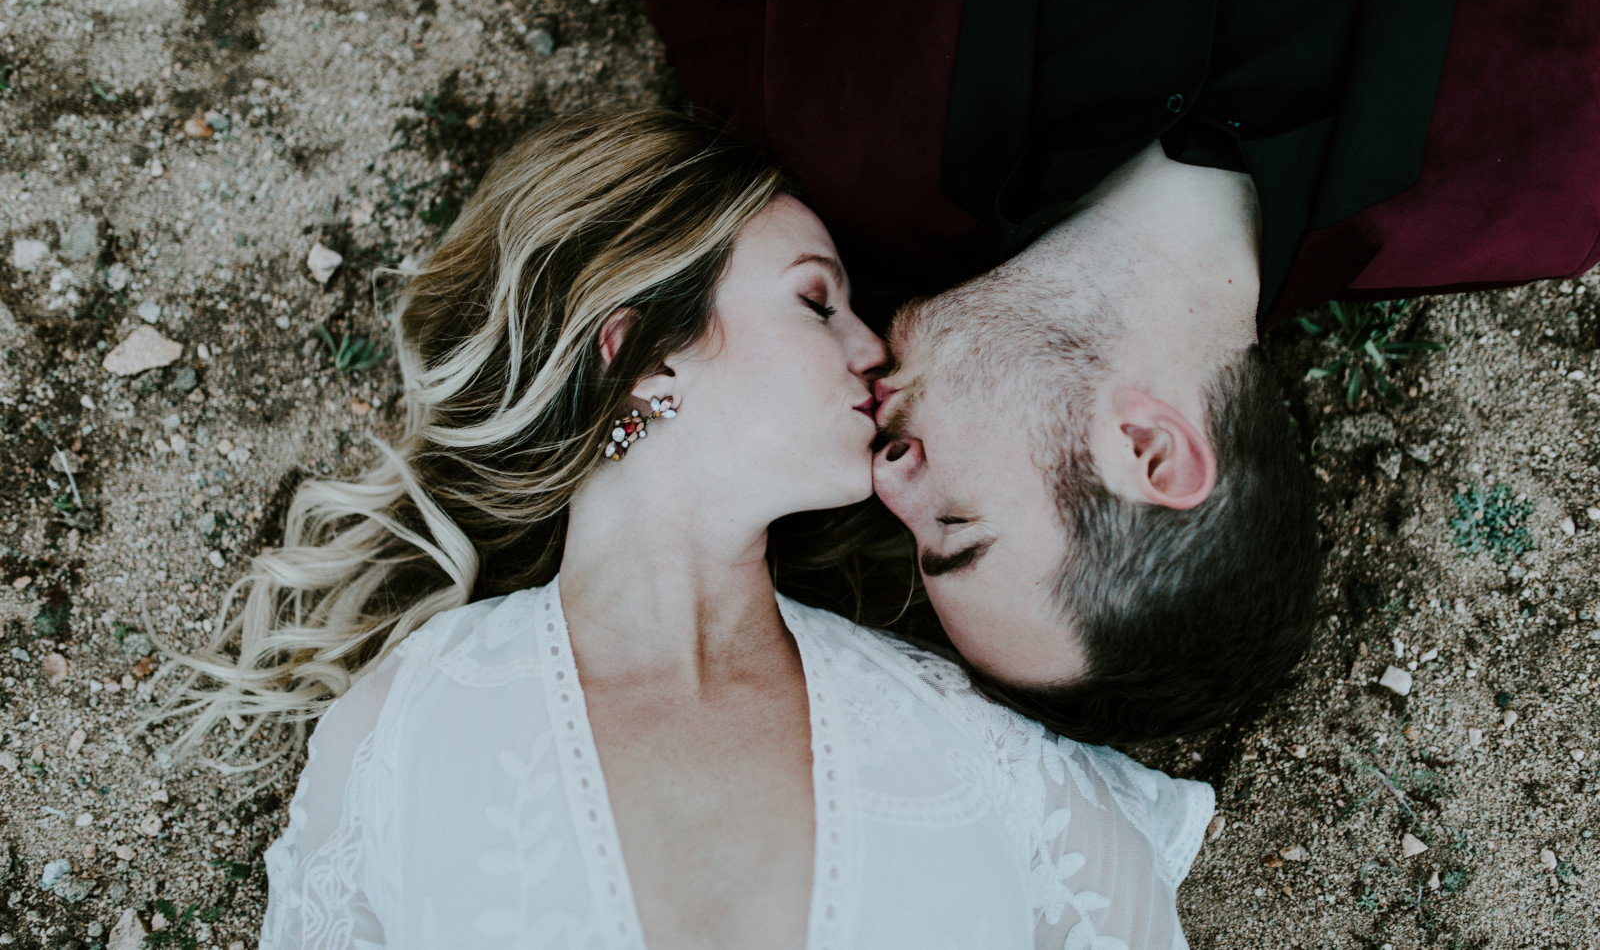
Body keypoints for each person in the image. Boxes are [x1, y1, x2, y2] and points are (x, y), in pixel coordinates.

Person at [572, 0, 1600, 743]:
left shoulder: (833, 154)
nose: (884, 475)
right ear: (1150, 450)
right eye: (956, 530)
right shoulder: (1549, 165)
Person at [169, 112, 1214, 949]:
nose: (873, 350)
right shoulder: (407, 726)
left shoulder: (964, 736)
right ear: (640, 354)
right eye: (816, 299)